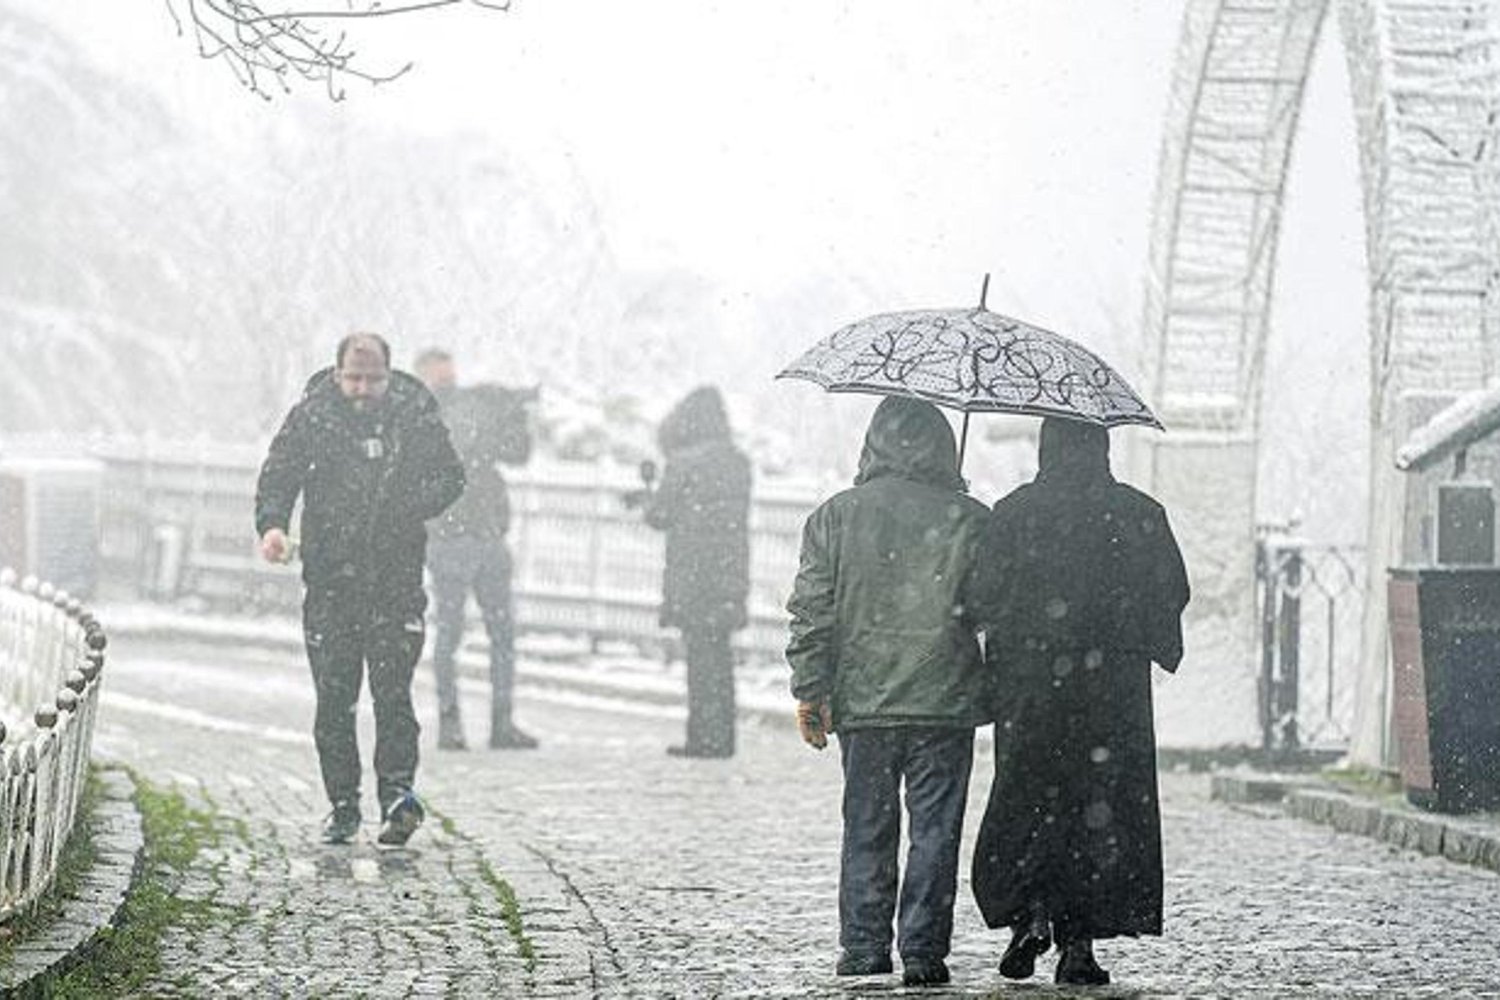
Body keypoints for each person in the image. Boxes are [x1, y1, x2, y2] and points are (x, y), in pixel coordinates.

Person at [965, 416, 1190, 987]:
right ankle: (1080, 944)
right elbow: (1172, 590)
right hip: (1110, 694)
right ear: (1102, 448)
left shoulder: (1013, 514)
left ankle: (1031, 913)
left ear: (1046, 449)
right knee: (1100, 809)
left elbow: (981, 595)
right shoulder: (1140, 514)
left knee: (1032, 798)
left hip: (1032, 686)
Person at [785, 396, 990, 989]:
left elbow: (811, 612)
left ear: (871, 444)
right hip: (943, 701)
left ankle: (863, 946)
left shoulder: (835, 517)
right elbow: (984, 612)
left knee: (866, 823)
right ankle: (924, 951)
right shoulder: (970, 519)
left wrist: (811, 689)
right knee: (935, 830)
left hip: (866, 701)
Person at [255, 333, 465, 847]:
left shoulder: (413, 414)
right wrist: (273, 526)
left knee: (393, 696)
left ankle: (397, 795)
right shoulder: (312, 416)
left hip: (395, 580)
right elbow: (278, 474)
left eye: (372, 379)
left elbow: (450, 476)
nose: (362, 389)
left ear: (389, 375)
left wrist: (405, 507)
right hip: (331, 580)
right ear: (337, 372)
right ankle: (343, 804)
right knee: (335, 698)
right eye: (353, 377)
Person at [413, 348, 538, 751]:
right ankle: (455, 723)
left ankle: (498, 723)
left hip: (484, 534)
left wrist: (515, 413)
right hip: (452, 536)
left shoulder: (471, 407)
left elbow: (516, 453)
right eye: (440, 371)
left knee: (498, 634)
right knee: (453, 633)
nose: (448, 377)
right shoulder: (419, 414)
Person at [635, 385, 751, 758]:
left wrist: (649, 494)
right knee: (720, 657)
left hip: (694, 573)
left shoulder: (684, 462)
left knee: (700, 658)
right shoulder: (738, 462)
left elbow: (660, 515)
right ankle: (724, 738)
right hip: (729, 569)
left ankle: (702, 737)